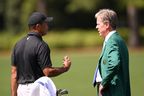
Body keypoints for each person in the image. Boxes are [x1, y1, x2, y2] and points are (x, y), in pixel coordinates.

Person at [11, 12, 71, 96]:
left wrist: (14, 94)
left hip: (21, 89)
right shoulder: (41, 45)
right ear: (38, 26)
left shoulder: (17, 44)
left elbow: (14, 73)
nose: (47, 26)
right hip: (37, 89)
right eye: (45, 23)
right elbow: (48, 72)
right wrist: (65, 68)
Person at [92, 9, 131, 96]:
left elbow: (114, 63)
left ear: (106, 25)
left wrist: (103, 83)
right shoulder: (117, 39)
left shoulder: (112, 41)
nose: (96, 27)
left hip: (112, 91)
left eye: (98, 24)